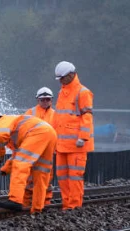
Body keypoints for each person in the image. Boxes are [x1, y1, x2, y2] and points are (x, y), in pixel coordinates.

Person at [0, 115, 57, 214]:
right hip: (50, 133)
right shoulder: (17, 127)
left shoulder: (2, 120)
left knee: (20, 165)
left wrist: (0, 155)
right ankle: (37, 208)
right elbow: (17, 154)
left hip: (37, 132)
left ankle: (15, 200)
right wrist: (4, 170)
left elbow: (0, 137)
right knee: (41, 172)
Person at [53, 61, 94, 210]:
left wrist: (83, 137)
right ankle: (66, 204)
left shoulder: (82, 92)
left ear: (70, 75)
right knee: (62, 177)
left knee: (75, 176)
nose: (61, 81)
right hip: (62, 145)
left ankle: (74, 206)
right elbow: (58, 117)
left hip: (77, 145)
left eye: (62, 78)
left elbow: (87, 116)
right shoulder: (62, 92)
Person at [23, 87, 56, 207]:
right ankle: (26, 203)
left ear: (51, 100)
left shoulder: (55, 115)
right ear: (38, 100)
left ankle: (45, 202)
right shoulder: (30, 113)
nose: (45, 101)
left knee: (46, 179)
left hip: (48, 152)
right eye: (43, 99)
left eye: (47, 99)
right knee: (28, 178)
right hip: (32, 150)